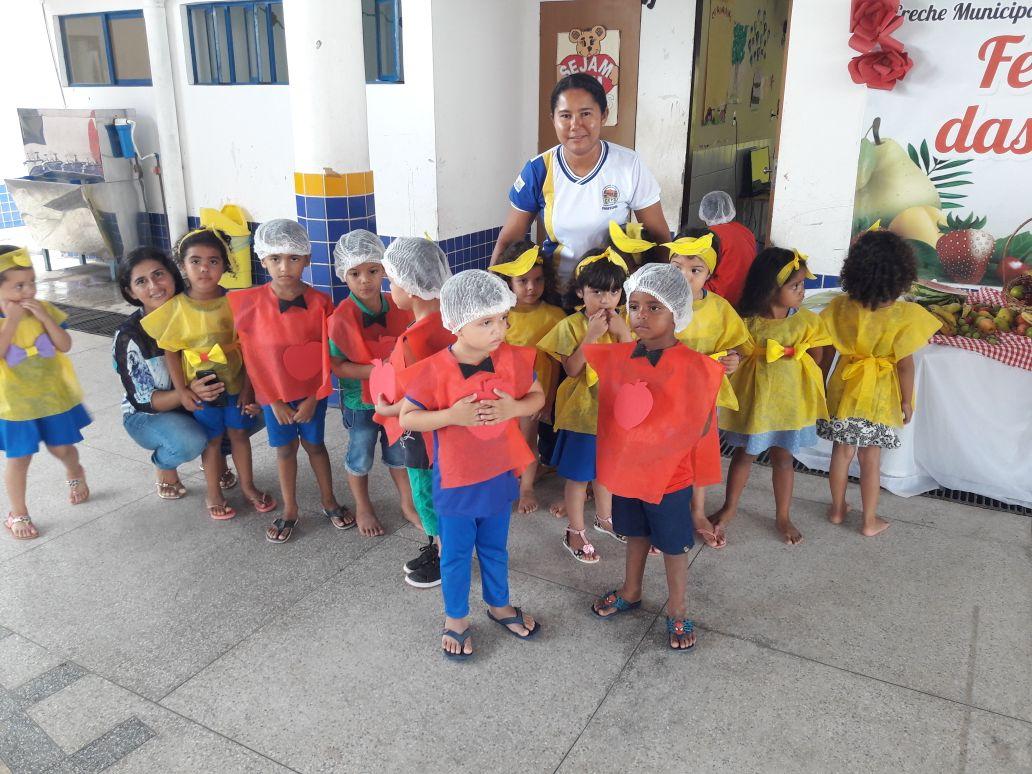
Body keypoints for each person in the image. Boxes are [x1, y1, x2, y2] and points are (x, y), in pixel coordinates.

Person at [399, 270, 544, 659]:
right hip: (458, 482)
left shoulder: (512, 360)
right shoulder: (433, 370)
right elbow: (408, 419)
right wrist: (450, 417)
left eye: (503, 319)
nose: (500, 329)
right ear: (457, 324)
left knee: (496, 548)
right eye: (487, 322)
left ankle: (499, 605)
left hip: (499, 475)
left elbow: (537, 397)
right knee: (457, 553)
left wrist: (514, 407)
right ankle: (456, 618)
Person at [586, 264, 722, 650]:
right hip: (631, 471)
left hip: (670, 477)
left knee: (674, 545)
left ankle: (677, 608)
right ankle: (631, 590)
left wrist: (660, 427)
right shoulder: (623, 357)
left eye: (653, 308)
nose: (640, 315)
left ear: (677, 312)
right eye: (634, 306)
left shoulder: (695, 367)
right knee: (634, 532)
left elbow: (698, 428)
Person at [229, 220, 351, 543]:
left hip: (312, 394)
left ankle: (329, 501)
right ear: (263, 260)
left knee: (315, 445)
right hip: (276, 398)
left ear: (307, 259)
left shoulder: (321, 303)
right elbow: (252, 359)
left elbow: (326, 355)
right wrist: (273, 400)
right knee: (284, 450)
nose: (285, 267)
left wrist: (315, 396)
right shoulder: (249, 305)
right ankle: (290, 510)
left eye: (294, 258)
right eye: (276, 259)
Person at [142, 228, 275, 521]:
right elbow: (172, 352)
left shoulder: (237, 303)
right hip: (203, 388)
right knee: (212, 440)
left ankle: (249, 486)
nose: (204, 268)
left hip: (236, 383)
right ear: (182, 266)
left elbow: (251, 348)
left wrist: (249, 388)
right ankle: (213, 491)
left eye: (214, 261)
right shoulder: (176, 308)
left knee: (240, 434)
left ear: (225, 266)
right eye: (196, 261)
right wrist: (183, 391)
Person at [492, 73, 669, 284]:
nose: (575, 125)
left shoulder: (628, 164)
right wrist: (493, 295)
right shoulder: (539, 169)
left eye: (585, 114)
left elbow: (660, 238)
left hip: (612, 293)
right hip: (555, 293)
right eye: (565, 116)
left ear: (603, 115)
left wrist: (659, 291)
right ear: (553, 119)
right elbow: (509, 239)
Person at [819, 230, 940, 537]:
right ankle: (869, 521)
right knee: (870, 458)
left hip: (843, 391)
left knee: (841, 452)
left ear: (854, 270)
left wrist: (819, 386)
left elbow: (828, 352)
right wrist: (906, 400)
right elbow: (904, 364)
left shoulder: (839, 307)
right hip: (879, 396)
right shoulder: (906, 316)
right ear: (901, 274)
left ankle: (836, 510)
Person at [711, 248, 831, 545]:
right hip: (757, 405)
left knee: (784, 458)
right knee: (744, 454)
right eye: (795, 286)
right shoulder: (746, 323)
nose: (802, 291)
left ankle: (783, 516)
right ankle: (728, 509)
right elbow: (733, 353)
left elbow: (818, 356)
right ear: (770, 288)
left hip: (790, 406)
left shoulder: (806, 322)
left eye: (803, 284)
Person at [538, 248, 631, 563]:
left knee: (607, 471)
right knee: (579, 477)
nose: (606, 300)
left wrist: (624, 335)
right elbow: (572, 370)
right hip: (581, 414)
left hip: (615, 413)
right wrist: (590, 336)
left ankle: (605, 518)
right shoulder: (571, 326)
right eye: (597, 292)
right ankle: (574, 531)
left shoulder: (625, 323)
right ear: (580, 291)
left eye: (614, 291)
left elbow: (638, 367)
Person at [373, 237, 454, 588]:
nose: (389, 288)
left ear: (412, 288)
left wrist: (384, 408)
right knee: (445, 490)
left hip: (422, 434)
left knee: (426, 491)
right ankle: (442, 547)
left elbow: (417, 400)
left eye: (392, 281)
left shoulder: (414, 339)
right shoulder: (451, 323)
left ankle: (443, 556)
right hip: (450, 429)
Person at [328, 229, 419, 538]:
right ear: (344, 275)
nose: (364, 279)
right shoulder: (340, 319)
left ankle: (408, 503)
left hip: (395, 399)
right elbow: (338, 366)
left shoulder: (399, 304)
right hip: (360, 402)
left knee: (399, 451)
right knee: (361, 452)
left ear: (384, 270)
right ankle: (363, 505)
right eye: (355, 273)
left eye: (372, 271)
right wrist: (376, 372)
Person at [1, 245, 91, 539]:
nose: (28, 291)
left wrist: (45, 319)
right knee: (19, 457)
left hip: (53, 397)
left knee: (61, 448)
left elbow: (64, 345)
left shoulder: (45, 311)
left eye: (32, 283)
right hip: (15, 405)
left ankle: (74, 470)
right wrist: (12, 321)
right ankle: (18, 512)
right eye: (18, 286)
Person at [666, 231, 750, 548]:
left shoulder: (719, 309)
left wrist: (734, 360)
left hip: (703, 396)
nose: (685, 277)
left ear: (709, 273)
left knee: (699, 453)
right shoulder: (655, 304)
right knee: (665, 455)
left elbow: (738, 347)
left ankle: (698, 511)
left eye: (695, 270)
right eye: (676, 268)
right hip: (664, 397)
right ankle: (662, 513)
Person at [114, 247, 210, 499]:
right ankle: (164, 464)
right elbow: (144, 401)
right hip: (147, 415)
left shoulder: (196, 311)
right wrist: (186, 393)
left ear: (172, 275)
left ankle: (215, 462)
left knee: (251, 412)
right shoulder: (130, 337)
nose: (154, 285)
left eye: (159, 274)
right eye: (141, 281)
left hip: (197, 402)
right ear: (130, 291)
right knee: (188, 441)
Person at [488, 241, 564, 515]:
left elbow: (556, 365)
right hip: (500, 392)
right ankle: (505, 479)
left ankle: (527, 487)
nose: (531, 287)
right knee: (500, 439)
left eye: (538, 280)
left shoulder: (554, 316)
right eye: (522, 281)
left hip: (534, 394)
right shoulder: (498, 316)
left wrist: (549, 400)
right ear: (508, 281)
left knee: (527, 441)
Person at [699, 191, 758, 307]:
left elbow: (698, 272)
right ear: (729, 209)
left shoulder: (708, 237)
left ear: (703, 213)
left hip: (721, 299)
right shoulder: (745, 231)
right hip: (749, 296)